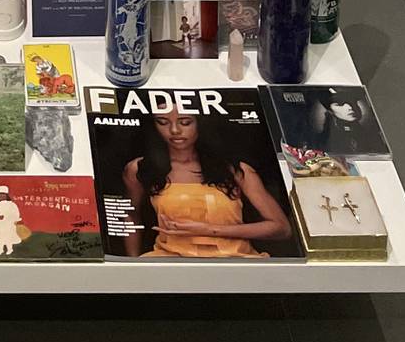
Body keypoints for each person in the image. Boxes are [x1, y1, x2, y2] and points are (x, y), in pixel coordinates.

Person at [121, 109, 291, 259]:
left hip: (235, 260)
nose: (174, 130)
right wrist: (132, 264)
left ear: (200, 123)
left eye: (185, 122)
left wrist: (208, 230)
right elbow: (129, 214)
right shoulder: (142, 168)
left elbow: (281, 228)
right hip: (170, 261)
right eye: (163, 122)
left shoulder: (235, 169)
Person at [0, 184, 24, 258]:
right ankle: (0, 250)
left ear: (6, 195)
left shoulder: (12, 204)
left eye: (3, 195)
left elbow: (16, 213)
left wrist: (16, 219)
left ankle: (10, 249)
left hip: (10, 224)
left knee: (9, 237)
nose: (1, 197)